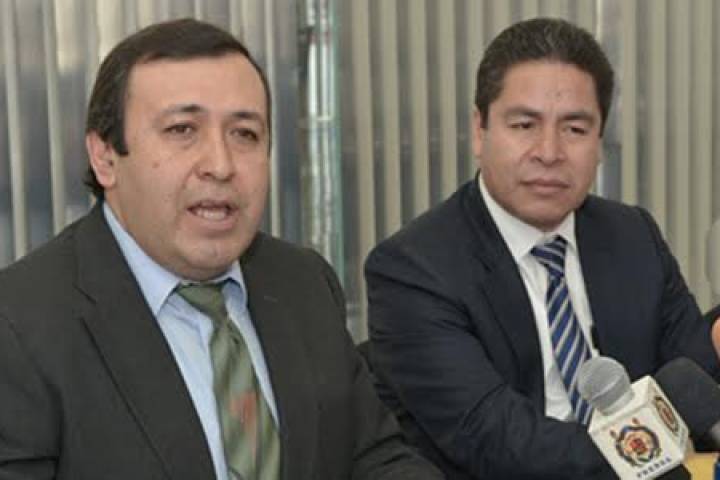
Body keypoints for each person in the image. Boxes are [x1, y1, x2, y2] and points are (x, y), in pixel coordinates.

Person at [0, 18, 442, 480]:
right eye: (182, 130)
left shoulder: (302, 281)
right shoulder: (20, 327)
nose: (220, 164)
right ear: (105, 157)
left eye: (244, 134)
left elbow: (375, 456)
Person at [365, 17, 720, 479]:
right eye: (524, 124)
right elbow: (500, 444)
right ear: (480, 130)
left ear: (600, 142)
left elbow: (692, 377)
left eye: (575, 129)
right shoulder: (413, 270)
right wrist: (645, 446)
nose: (549, 152)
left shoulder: (632, 235)